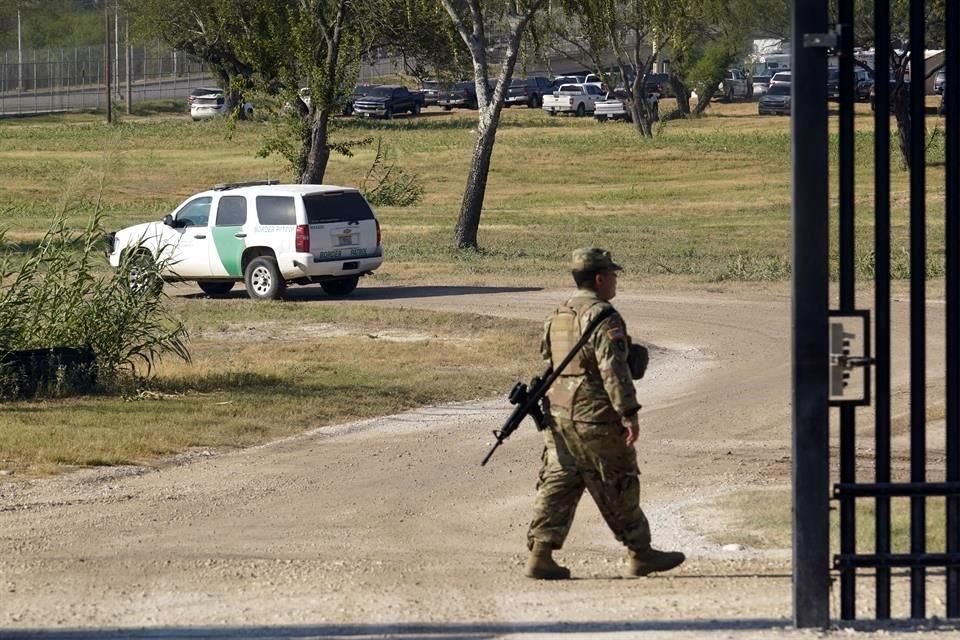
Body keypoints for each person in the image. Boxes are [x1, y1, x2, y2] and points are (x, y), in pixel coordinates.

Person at [524, 247, 685, 580]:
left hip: (560, 412)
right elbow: (613, 369)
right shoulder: (603, 316)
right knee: (619, 479)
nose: (616, 281)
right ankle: (640, 553)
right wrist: (628, 412)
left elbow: (548, 361)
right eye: (613, 274)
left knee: (560, 479)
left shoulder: (558, 314)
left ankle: (540, 554)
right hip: (594, 413)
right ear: (600, 278)